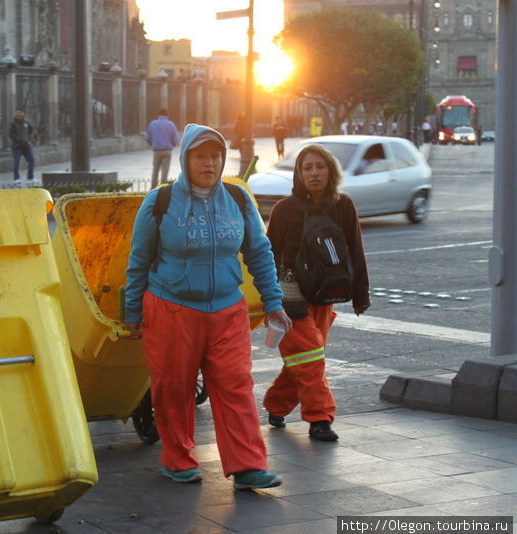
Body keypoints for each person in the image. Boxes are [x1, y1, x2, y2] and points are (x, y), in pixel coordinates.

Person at [124, 123, 292, 490]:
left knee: (235, 385)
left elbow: (259, 253)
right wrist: (132, 312)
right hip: (171, 308)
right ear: (185, 158)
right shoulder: (160, 202)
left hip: (227, 311)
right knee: (173, 387)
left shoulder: (238, 198)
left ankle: (248, 465)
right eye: (200, 155)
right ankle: (178, 459)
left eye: (215, 155)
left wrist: (273, 301)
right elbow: (138, 261)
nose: (209, 163)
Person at [263, 144, 370, 442]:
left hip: (326, 294)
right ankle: (320, 419)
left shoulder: (343, 205)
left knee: (305, 357)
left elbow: (356, 251)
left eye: (319, 167)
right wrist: (267, 301)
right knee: (310, 357)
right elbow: (268, 256)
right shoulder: (284, 209)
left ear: (330, 171)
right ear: (298, 173)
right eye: (306, 167)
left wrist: (361, 294)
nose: (313, 173)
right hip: (290, 297)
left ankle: (276, 405)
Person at [145, 108, 179, 188]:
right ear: (167, 115)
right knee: (165, 171)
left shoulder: (153, 124)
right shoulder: (171, 124)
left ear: (159, 115)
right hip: (167, 151)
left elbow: (148, 138)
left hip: (157, 151)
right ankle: (163, 188)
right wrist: (171, 145)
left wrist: (153, 144)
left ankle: (153, 188)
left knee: (155, 171)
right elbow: (175, 139)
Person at [9, 108, 35, 184]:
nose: (19, 114)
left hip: (27, 146)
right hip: (17, 146)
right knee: (16, 162)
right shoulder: (13, 123)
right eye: (17, 112)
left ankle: (30, 177)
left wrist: (29, 139)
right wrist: (21, 140)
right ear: (15, 113)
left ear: (23, 114)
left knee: (32, 160)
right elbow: (12, 135)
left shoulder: (26, 122)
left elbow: (31, 130)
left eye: (20, 112)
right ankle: (16, 178)